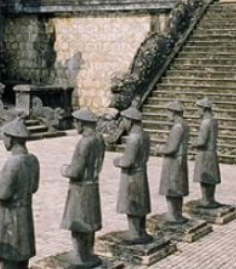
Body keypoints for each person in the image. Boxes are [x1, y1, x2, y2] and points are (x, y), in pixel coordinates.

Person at [0, 117, 40, 269]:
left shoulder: (13, 162)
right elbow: (34, 188)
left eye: (4, 137)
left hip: (10, 217)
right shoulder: (33, 159)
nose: (3, 141)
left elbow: (3, 192)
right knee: (22, 258)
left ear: (11, 139)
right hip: (25, 213)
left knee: (8, 258)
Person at [60, 109, 105, 268]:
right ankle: (88, 252)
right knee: (90, 223)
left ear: (81, 123)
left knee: (78, 224)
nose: (75, 125)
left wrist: (65, 170)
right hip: (93, 185)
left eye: (76, 122)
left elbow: (76, 171)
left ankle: (80, 255)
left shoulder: (85, 141)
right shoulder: (99, 139)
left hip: (80, 188)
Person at [113, 107, 152, 244]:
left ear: (130, 120)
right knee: (141, 203)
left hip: (132, 176)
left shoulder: (133, 138)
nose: (123, 122)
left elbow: (127, 161)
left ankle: (134, 233)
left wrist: (117, 161)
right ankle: (141, 230)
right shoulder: (145, 135)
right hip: (141, 172)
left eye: (124, 119)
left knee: (132, 204)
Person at [158, 101, 189, 223]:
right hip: (181, 159)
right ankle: (177, 213)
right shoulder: (185, 124)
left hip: (174, 161)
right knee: (178, 187)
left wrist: (160, 149)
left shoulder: (177, 127)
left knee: (171, 188)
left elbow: (172, 148)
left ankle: (173, 214)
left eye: (168, 112)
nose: (167, 115)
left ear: (174, 113)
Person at [193, 98, 222, 208]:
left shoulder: (205, 122)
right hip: (212, 152)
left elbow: (202, 141)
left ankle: (206, 199)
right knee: (210, 177)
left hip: (204, 153)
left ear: (204, 109)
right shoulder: (214, 121)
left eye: (198, 109)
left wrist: (193, 144)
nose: (198, 111)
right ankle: (210, 198)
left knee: (204, 177)